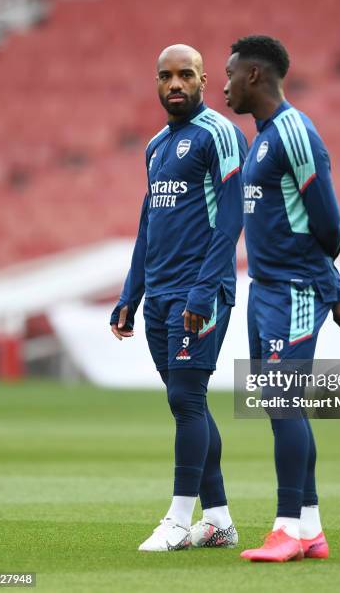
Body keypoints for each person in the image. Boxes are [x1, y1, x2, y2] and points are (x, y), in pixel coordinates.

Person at [224, 35, 340, 562]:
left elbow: (329, 226)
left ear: (255, 75)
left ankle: (286, 529)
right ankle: (311, 527)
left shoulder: (295, 133)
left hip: (295, 289)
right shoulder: (261, 137)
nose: (226, 84)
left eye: (231, 73)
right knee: (282, 405)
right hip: (266, 289)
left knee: (284, 403)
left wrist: (329, 287)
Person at [111, 44, 247, 552]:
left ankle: (177, 518)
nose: (175, 84)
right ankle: (217, 519)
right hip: (160, 295)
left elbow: (231, 219)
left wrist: (204, 289)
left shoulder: (220, 134)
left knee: (185, 398)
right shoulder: (155, 147)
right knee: (186, 402)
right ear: (156, 82)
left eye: (185, 75)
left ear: (204, 80)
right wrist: (130, 293)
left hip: (200, 291)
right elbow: (150, 223)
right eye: (166, 76)